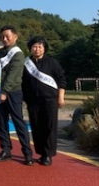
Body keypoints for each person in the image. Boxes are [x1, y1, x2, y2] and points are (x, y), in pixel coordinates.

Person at [22, 36, 66, 166]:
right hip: (33, 101)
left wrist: (61, 97)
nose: (37, 49)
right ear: (30, 48)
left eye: (40, 47)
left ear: (44, 48)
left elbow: (61, 80)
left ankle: (48, 155)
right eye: (34, 46)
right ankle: (41, 152)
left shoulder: (52, 62)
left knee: (49, 127)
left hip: (49, 100)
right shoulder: (26, 63)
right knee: (36, 126)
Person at [0, 25, 34, 165]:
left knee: (18, 121)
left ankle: (27, 153)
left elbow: (13, 75)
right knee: (1, 121)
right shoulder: (0, 52)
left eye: (7, 36)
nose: (5, 39)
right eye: (2, 37)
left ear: (15, 37)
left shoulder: (18, 54)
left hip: (13, 92)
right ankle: (6, 150)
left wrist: (4, 91)